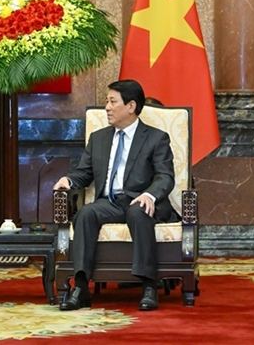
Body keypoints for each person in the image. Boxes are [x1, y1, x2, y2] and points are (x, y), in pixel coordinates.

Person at [53, 79, 179, 311]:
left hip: (139, 201)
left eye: (112, 102)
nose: (107, 108)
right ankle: (81, 288)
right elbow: (84, 173)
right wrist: (68, 180)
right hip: (110, 202)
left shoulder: (155, 138)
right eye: (107, 102)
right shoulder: (99, 138)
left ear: (131, 106)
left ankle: (149, 286)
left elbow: (165, 176)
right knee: (85, 214)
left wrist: (150, 195)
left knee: (139, 212)